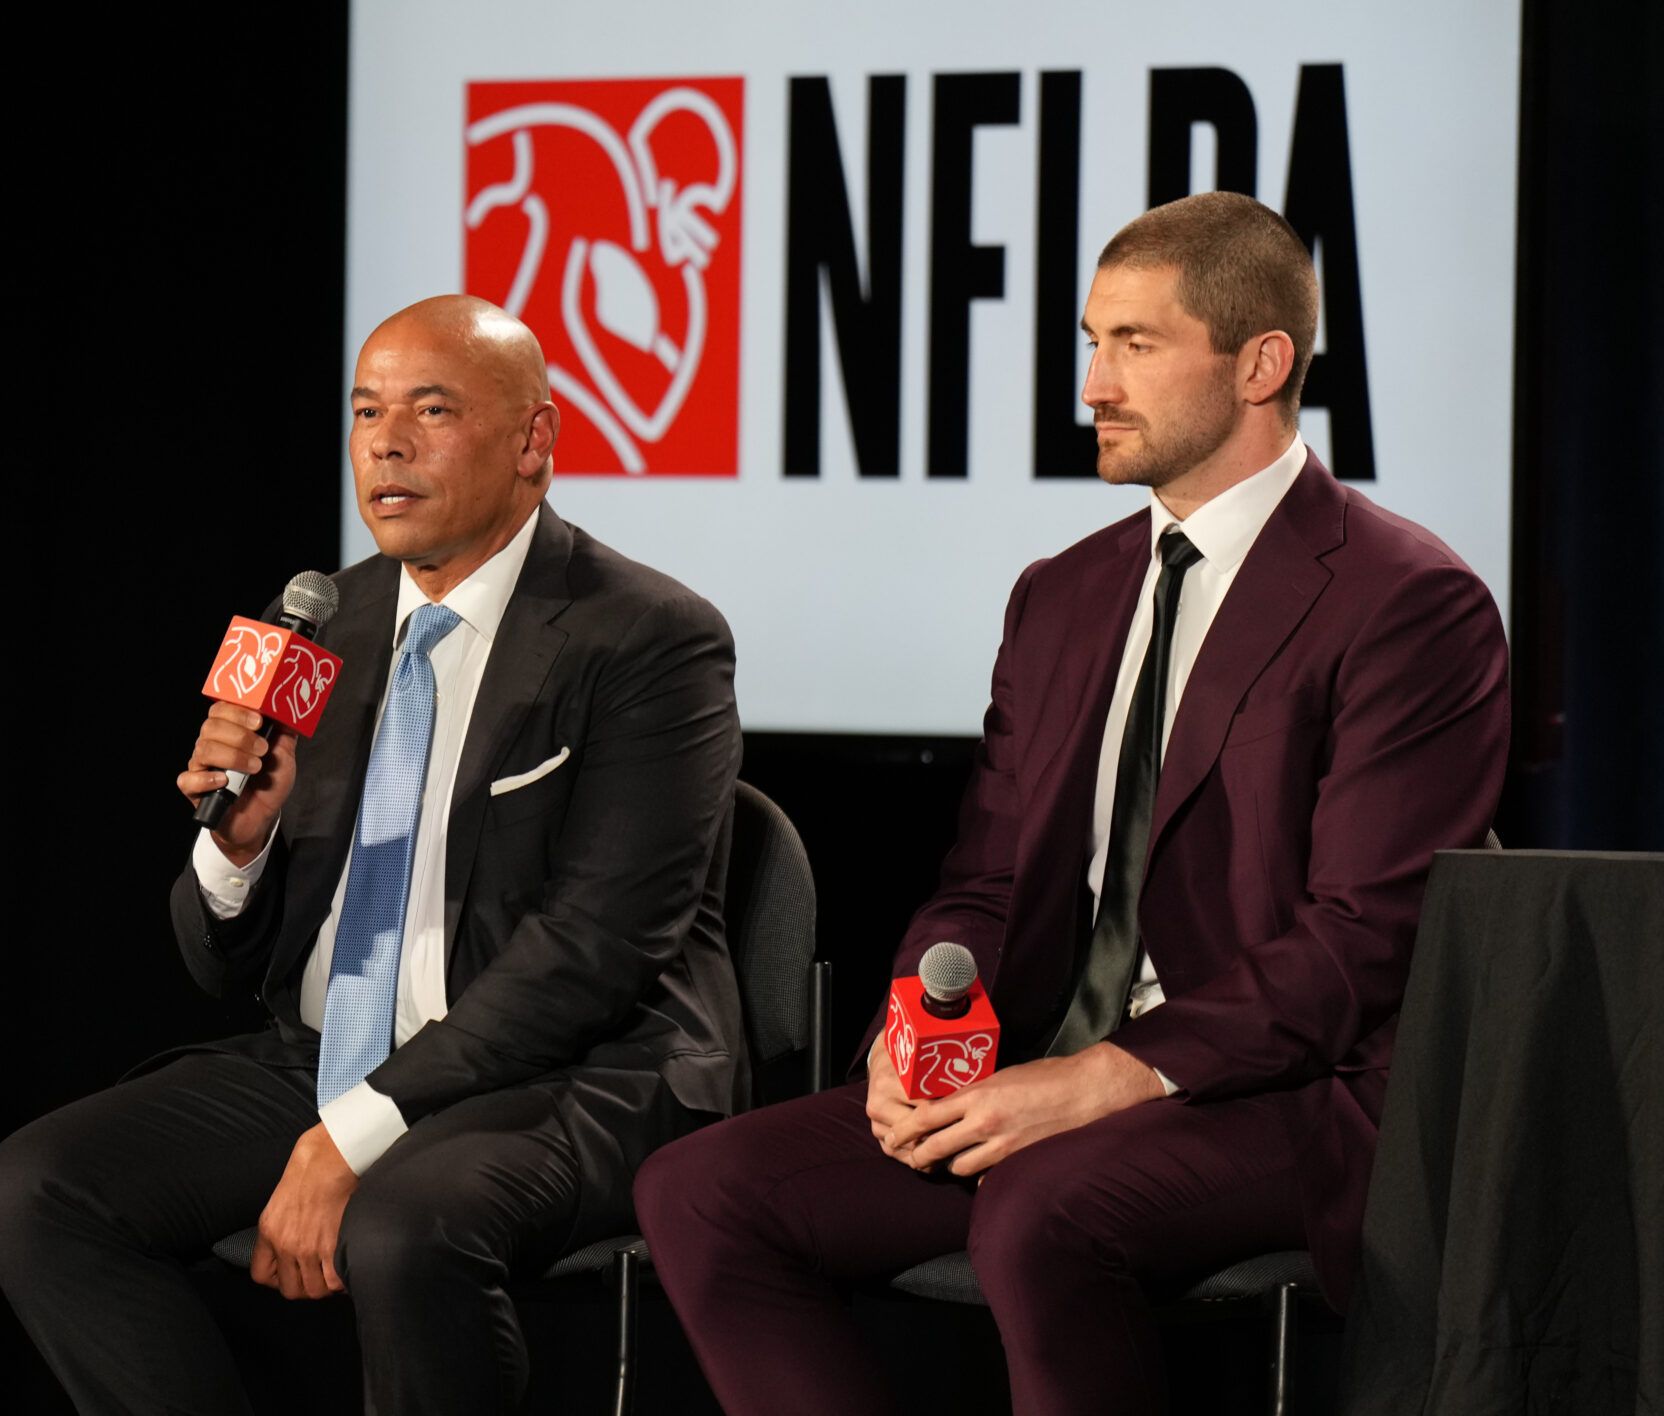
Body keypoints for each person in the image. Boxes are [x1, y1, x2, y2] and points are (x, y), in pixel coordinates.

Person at [633, 191, 1511, 1416]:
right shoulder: (1062, 594)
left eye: (1134, 346)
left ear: (1261, 363)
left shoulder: (1408, 600)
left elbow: (1364, 941)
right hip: (1048, 1065)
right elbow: (988, 882)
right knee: (701, 1189)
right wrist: (919, 1031)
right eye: (1092, 342)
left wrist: (1110, 1076)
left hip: (1291, 1097)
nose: (1094, 383)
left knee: (1040, 1212)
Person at [0, 295, 745, 1414]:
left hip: (578, 1071)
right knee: (37, 1190)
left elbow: (595, 952)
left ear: (536, 440)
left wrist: (354, 1133)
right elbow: (220, 967)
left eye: (432, 410)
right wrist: (236, 850)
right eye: (367, 411)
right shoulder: (326, 623)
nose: (385, 443)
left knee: (401, 1225)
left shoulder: (648, 636)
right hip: (331, 1056)